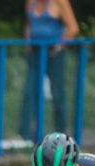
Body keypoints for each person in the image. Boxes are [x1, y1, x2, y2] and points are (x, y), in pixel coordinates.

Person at [18, 0, 78, 141]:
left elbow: (73, 28)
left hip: (53, 55)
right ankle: (26, 134)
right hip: (35, 53)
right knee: (29, 92)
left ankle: (61, 135)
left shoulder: (59, 2)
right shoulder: (31, 2)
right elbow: (28, 24)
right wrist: (27, 42)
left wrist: (59, 45)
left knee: (57, 93)